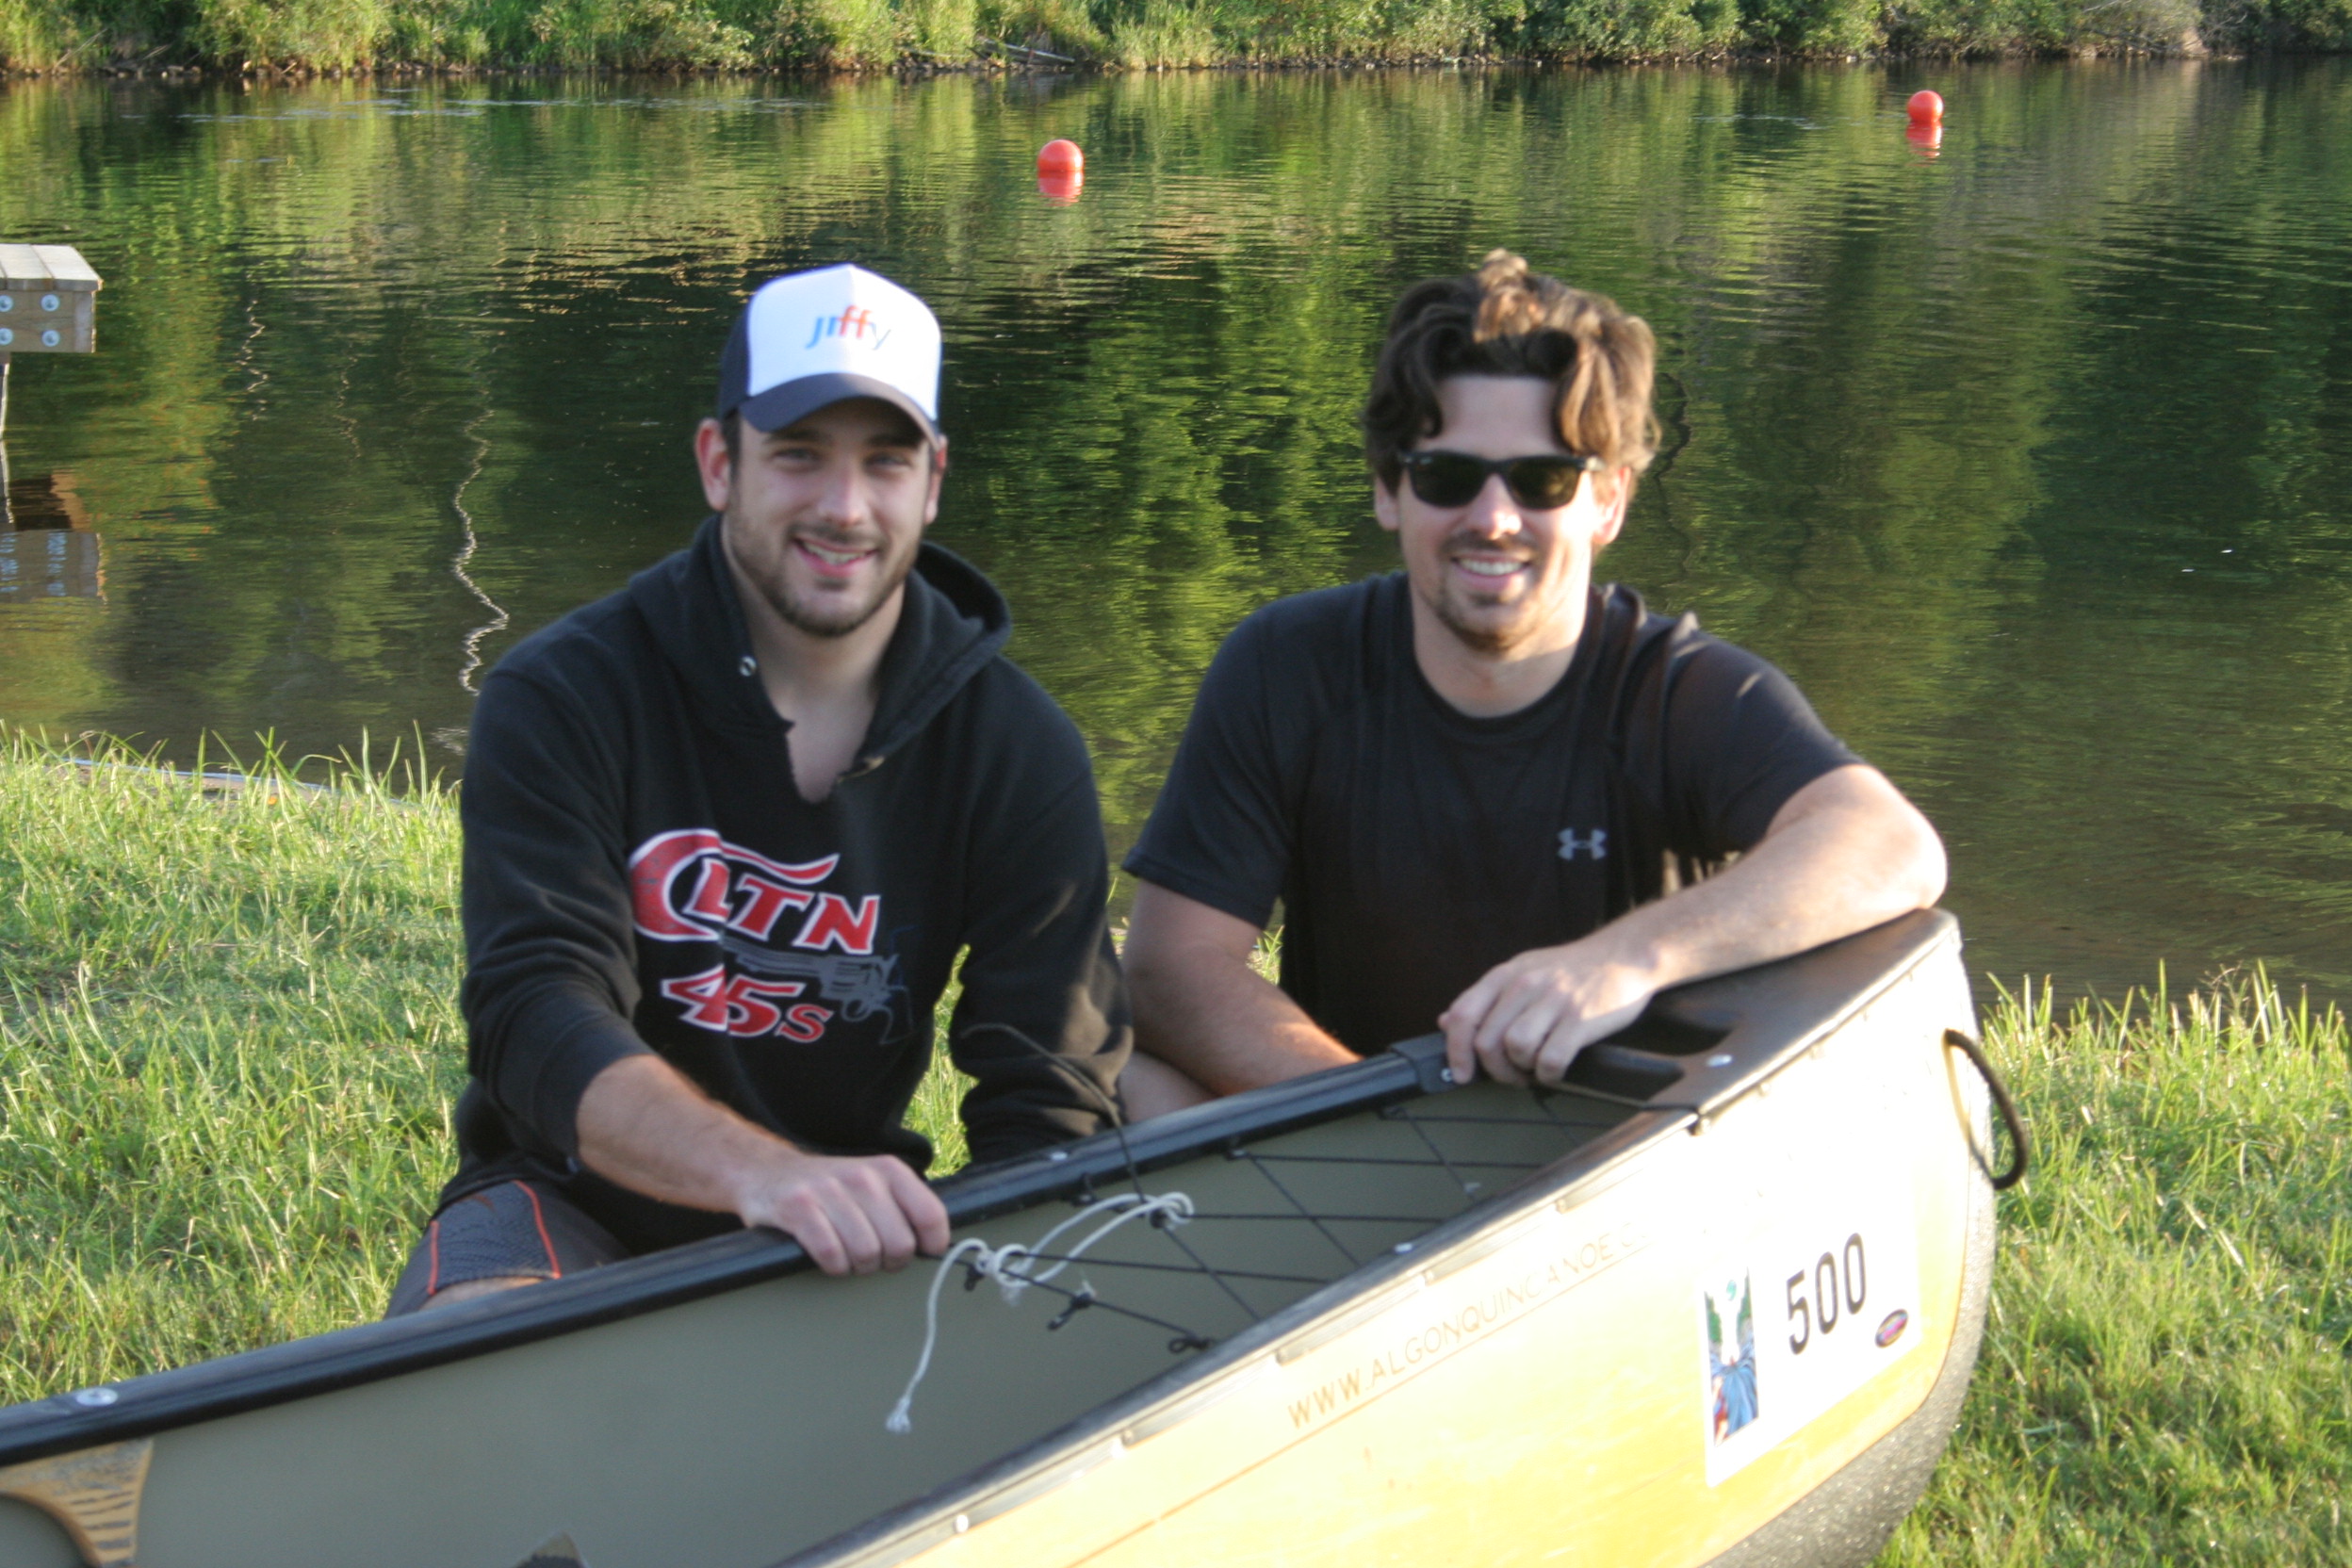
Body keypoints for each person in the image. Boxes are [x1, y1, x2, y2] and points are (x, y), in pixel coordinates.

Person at [388, 264, 1129, 1314]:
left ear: (934, 479)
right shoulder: (565, 695)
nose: (844, 505)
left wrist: (983, 1291)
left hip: (850, 1224)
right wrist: (764, 1175)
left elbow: (1050, 1097)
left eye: (885, 460)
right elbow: (536, 1016)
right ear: (717, 462)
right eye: (798, 455)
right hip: (567, 1200)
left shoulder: (1018, 749)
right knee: (465, 1375)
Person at [1119, 251, 1946, 1111]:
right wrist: (1383, 1118)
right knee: (1117, 1074)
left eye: (1543, 479)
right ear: (1388, 489)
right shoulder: (1286, 666)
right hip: (1351, 1129)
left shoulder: (1680, 692)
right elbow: (1172, 969)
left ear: (1609, 504)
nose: (1494, 518)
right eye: (1448, 476)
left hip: (1615, 1153)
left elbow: (1891, 844)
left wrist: (1623, 959)